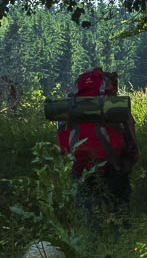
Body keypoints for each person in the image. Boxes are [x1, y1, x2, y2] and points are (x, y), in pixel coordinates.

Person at [57, 68, 138, 231]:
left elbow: (62, 142)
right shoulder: (113, 106)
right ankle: (121, 247)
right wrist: (129, 162)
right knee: (120, 219)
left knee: (89, 222)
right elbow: (131, 142)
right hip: (112, 168)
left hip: (80, 170)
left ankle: (92, 248)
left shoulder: (72, 107)